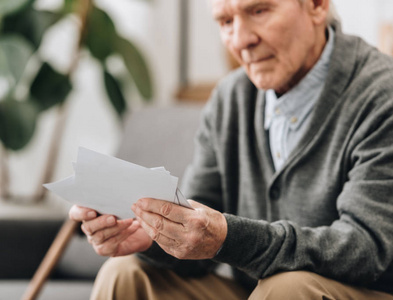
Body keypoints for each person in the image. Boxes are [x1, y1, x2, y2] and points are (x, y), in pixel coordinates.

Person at [70, 0, 393, 298]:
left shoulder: (382, 95)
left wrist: (229, 238)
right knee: (127, 273)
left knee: (288, 289)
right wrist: (155, 238)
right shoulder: (231, 97)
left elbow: (367, 249)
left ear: (316, 5)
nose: (239, 41)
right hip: (256, 292)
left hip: (363, 291)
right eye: (225, 21)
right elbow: (200, 245)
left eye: (259, 11)